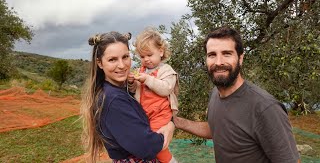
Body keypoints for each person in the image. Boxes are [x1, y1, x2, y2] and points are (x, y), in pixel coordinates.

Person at [173, 26, 301, 163]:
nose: (218, 62)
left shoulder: (264, 108)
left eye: (227, 54)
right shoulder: (216, 94)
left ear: (240, 58)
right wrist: (177, 121)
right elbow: (217, 128)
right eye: (212, 55)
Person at [81, 31, 175, 163]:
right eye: (112, 59)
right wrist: (170, 127)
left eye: (125, 57)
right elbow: (147, 146)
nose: (122, 65)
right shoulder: (114, 100)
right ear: (100, 63)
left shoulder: (117, 90)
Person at [127, 28, 179, 163]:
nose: (146, 59)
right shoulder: (140, 71)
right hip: (145, 115)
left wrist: (147, 79)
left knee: (157, 143)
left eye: (149, 55)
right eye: (142, 56)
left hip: (160, 114)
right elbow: (134, 92)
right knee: (146, 143)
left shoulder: (166, 70)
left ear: (161, 52)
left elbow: (166, 89)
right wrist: (132, 83)